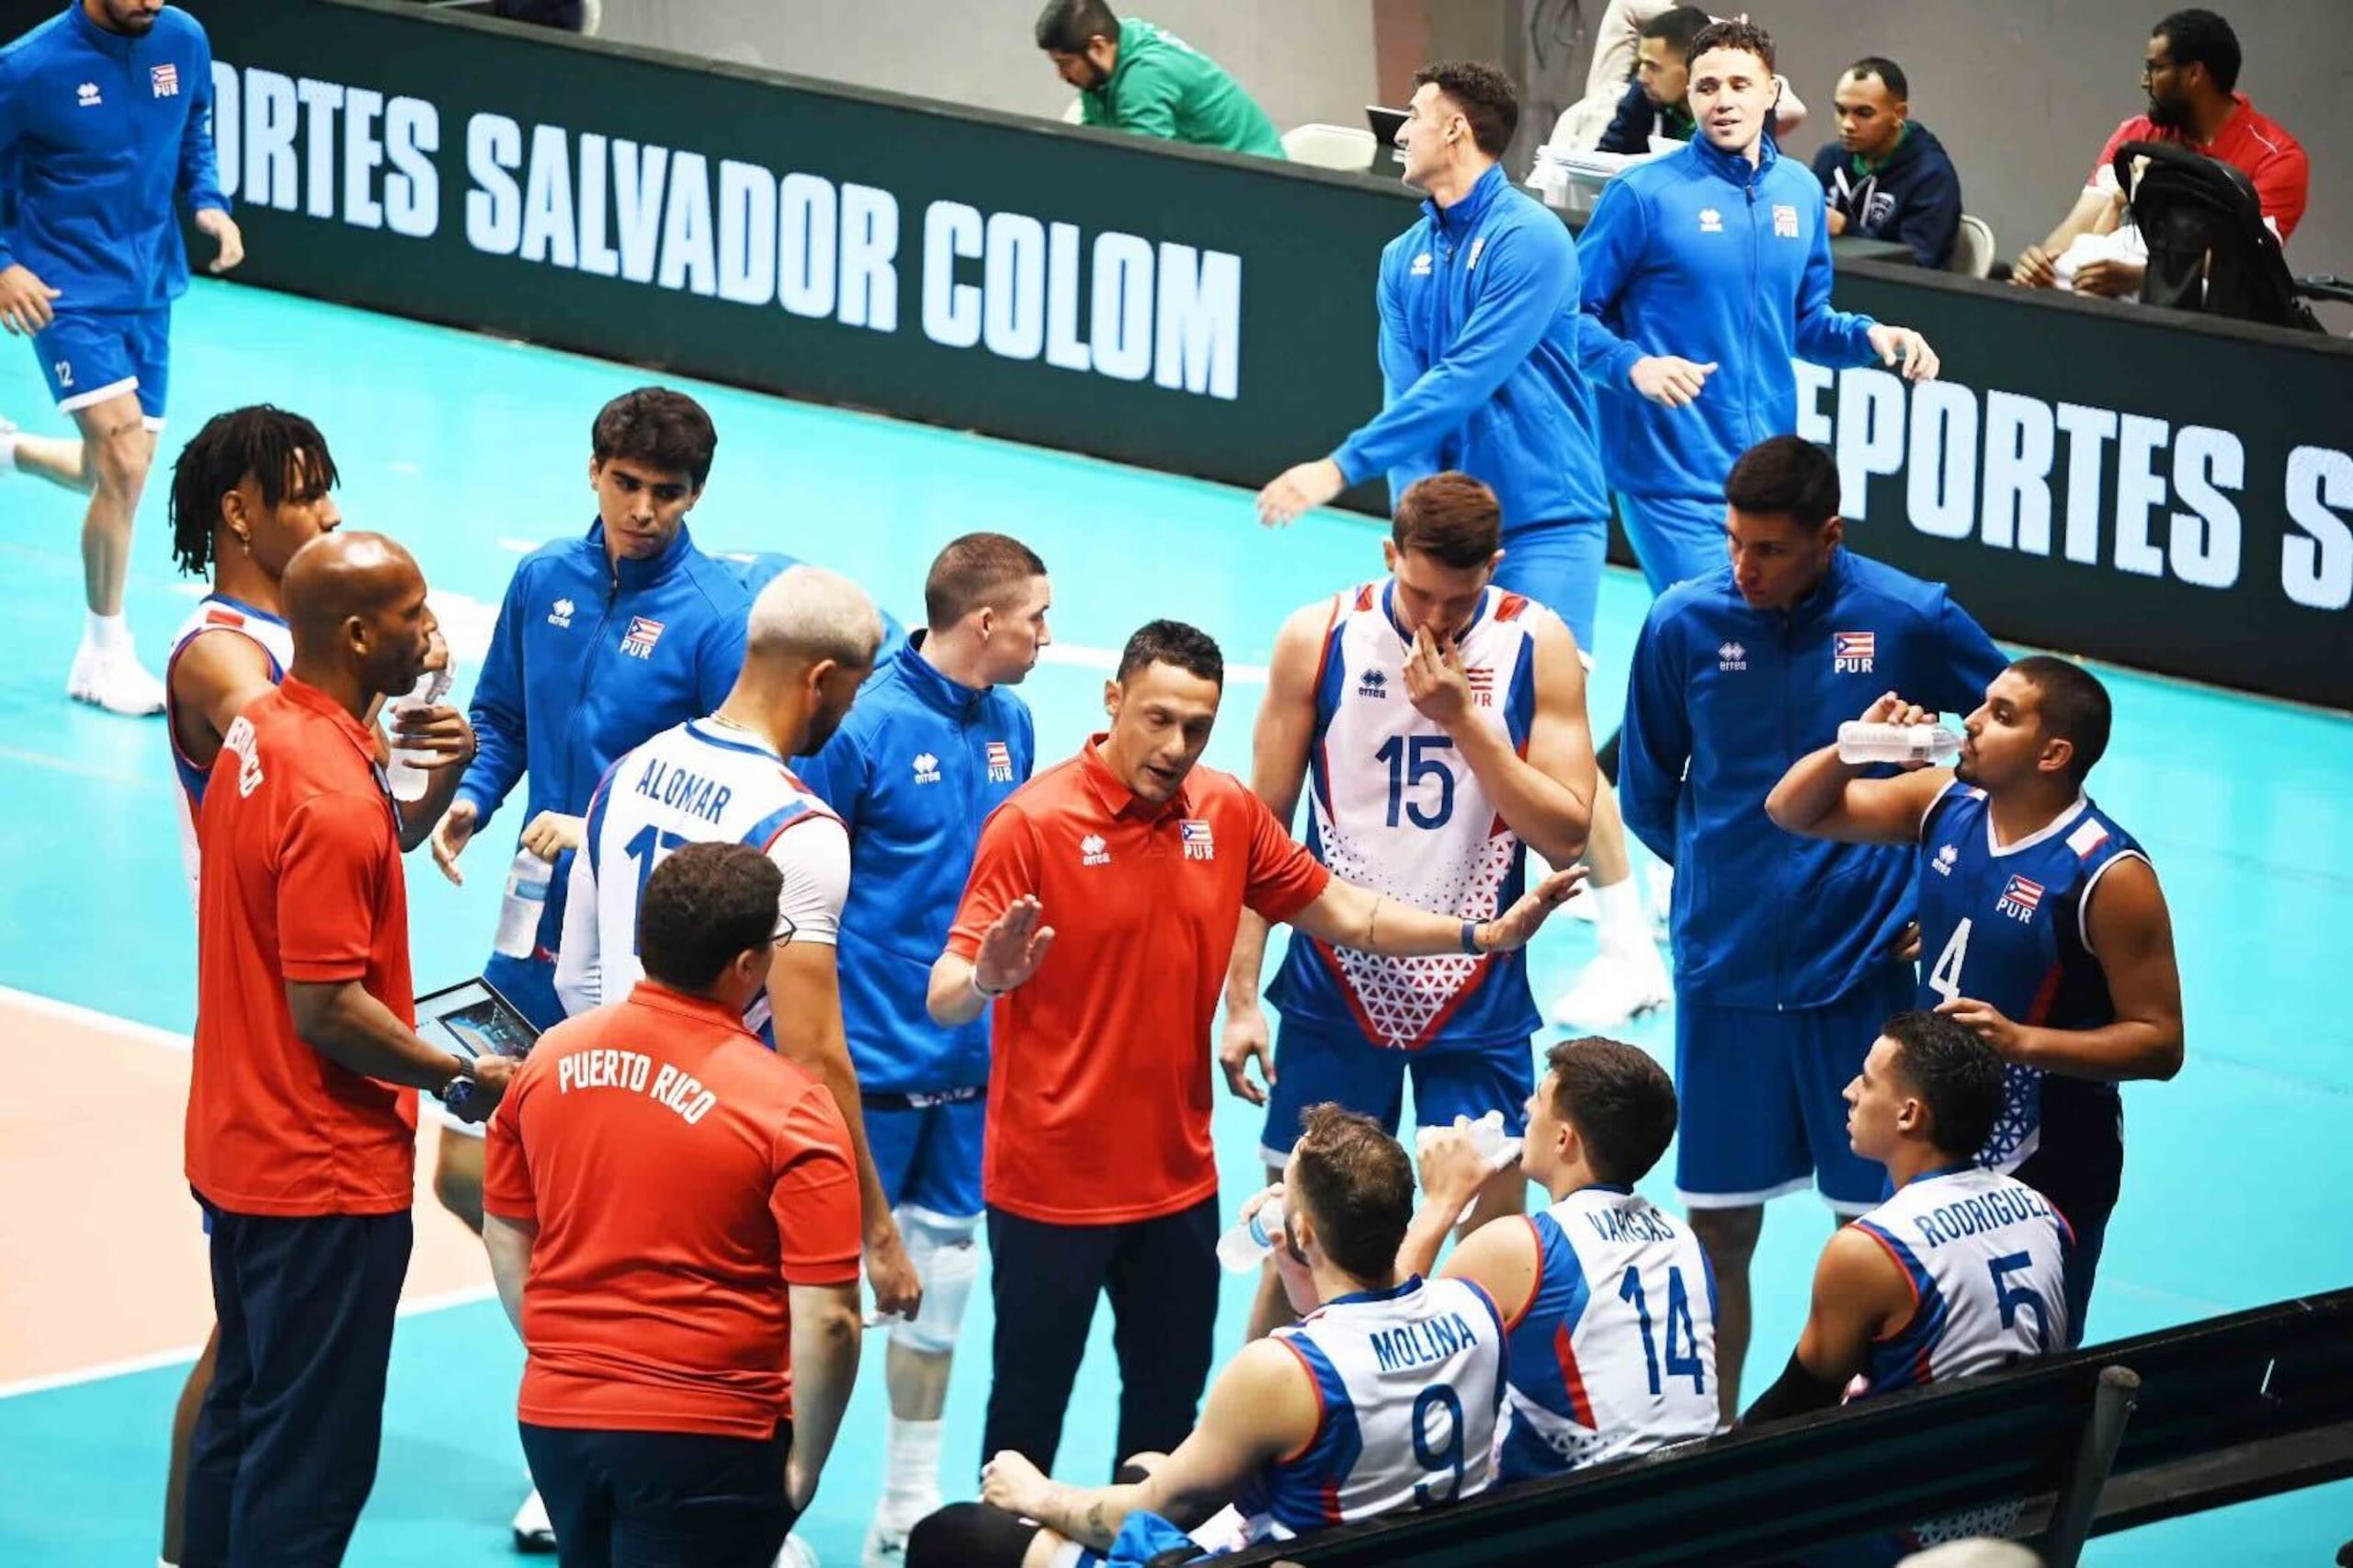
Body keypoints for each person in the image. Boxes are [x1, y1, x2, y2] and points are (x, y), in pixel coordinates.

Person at [929, 619, 1579, 1481]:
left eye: (1197, 726)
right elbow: (945, 992)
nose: (1175, 746)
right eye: (1157, 718)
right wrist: (988, 977)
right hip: (1050, 1191)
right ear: (1113, 700)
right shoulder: (1033, 825)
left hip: (1177, 1187)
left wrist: (1479, 933)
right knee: (1025, 1415)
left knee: (1168, 1425)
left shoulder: (1225, 811)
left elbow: (1351, 912)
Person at [1558, 17, 1943, 1034]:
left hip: (1766, 471)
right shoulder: (1643, 197)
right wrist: (1632, 366)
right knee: (1734, 654)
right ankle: (1685, 899)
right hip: (1668, 475)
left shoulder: (1796, 196)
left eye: (1741, 83)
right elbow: (1568, 314)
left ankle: (1578, 809)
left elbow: (1808, 322)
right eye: (1707, 84)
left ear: (1775, 92)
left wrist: (1875, 337)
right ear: (1687, 96)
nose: (1722, 98)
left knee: (1734, 670)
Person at [426, 390, 763, 1547]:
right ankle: (572, 1387)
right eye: (626, 485)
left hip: (637, 952)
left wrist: (600, 815)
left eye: (667, 494)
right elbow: (502, 711)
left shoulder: (719, 616)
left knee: (621, 1202)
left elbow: (718, 783)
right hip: (529, 934)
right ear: (593, 473)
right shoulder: (541, 581)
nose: (644, 511)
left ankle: (590, 1425)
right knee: (467, 1176)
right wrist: (474, 798)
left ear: (696, 497)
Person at [1616, 435, 2008, 1421]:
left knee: (1876, 1230)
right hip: (1725, 971)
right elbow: (1646, 791)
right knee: (1716, 1231)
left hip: (1865, 977)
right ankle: (1708, 1445)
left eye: (1771, 549)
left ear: (1828, 536)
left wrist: (1938, 888)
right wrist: (1718, 882)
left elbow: (2015, 751)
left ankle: (1861, 1453)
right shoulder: (1681, 623)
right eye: (1734, 542)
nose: (1743, 568)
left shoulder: (1910, 615)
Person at [183, 531, 509, 1567]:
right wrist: (459, 1070)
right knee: (311, 1464)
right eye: (414, 613)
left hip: (239, 1146)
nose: (433, 628)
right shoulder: (328, 786)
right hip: (320, 1174)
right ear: (361, 634)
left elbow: (343, 862)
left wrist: (426, 788)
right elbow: (325, 1007)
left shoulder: (270, 730)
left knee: (242, 1416)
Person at [1223, 472, 1597, 1341]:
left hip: (1476, 991)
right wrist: (1241, 997)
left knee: (1492, 1237)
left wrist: (1467, 723)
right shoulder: (1318, 638)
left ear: (1495, 570)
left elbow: (1567, 835)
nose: (1434, 618)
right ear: (1389, 554)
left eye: (1457, 599)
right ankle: (1255, 1457)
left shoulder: (1533, 644)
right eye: (1418, 590)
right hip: (1332, 982)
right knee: (1299, 1237)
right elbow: (1260, 835)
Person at [1766, 659, 2183, 1341]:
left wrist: (2024, 1043)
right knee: (1906, 1336)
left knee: (2030, 1347)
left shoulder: (2109, 874)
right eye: (1983, 706)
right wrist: (1858, 747)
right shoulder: (1944, 804)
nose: (1974, 723)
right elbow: (1791, 810)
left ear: (2053, 754)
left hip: (2049, 1149)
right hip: (1935, 1125)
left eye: (2002, 714)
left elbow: (2161, 1041)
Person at [907, 1103, 1508, 1568]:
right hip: (1412, 1545)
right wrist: (1300, 1272)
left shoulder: (1281, 1374)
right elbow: (1366, 1338)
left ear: (1303, 1228)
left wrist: (1039, 1494)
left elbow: (1145, 1515)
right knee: (1145, 1463)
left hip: (1280, 1554)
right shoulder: (1475, 1306)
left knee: (957, 1533)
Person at [484, 843, 865, 1568]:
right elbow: (833, 1319)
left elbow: (505, 1227)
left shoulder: (548, 1060)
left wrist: (562, 1354)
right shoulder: (792, 1110)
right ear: (748, 967)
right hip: (713, 1436)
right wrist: (807, 1463)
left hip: (557, 1423)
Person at [790, 534, 1051, 1566]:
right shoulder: (863, 723)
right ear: (984, 622)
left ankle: (904, 1502)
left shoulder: (1016, 722)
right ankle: (774, 1506)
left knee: (942, 1288)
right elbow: (803, 892)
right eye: (1036, 615)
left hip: (971, 1077)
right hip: (865, 1080)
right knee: (817, 1311)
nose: (1046, 633)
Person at [555, 565, 919, 1301]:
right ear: (820, 680)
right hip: (721, 1151)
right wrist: (876, 1232)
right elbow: (813, 1055)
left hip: (608, 1124)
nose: (848, 714)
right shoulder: (800, 827)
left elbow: (576, 977)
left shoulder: (627, 772)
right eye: (850, 694)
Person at [155, 405, 348, 1567]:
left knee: (253, 1337)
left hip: (311, 1001)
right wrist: (365, 657)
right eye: (306, 494)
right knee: (245, 1346)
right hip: (262, 1024)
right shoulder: (221, 650)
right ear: (240, 513)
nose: (331, 515)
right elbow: (263, 728)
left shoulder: (304, 650)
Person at [1258, 61, 1611, 657]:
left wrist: (1340, 467)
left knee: (1536, 724)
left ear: (1454, 130)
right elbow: (1407, 396)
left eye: (1415, 116)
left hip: (1544, 529)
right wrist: (1417, 535)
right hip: (1449, 542)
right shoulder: (1401, 258)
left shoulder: (1531, 239)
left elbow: (1465, 379)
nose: (1399, 132)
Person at [0, 0, 244, 715]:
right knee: (125, 463)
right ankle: (104, 654)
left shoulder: (182, 38)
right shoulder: (27, 67)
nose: (153, 1)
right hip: (62, 289)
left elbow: (194, 132)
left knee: (119, 473)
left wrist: (208, 201)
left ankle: (9, 452)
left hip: (151, 282)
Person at [1404, 1036, 1717, 1479]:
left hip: (1570, 1525)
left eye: (1540, 1099)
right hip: (1701, 1496)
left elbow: (1378, 1346)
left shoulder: (1520, 1247)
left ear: (1564, 1139)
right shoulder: (1687, 1244)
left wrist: (1441, 1202)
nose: (1527, 1109)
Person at [1744, 1011, 2072, 1415]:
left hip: (1923, 1468)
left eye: (1866, 1080)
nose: (1849, 1092)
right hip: (2040, 1456)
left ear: (1909, 1114)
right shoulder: (2044, 1214)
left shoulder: (1869, 1251)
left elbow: (1800, 1402)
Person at [2013, 8, 2307, 298]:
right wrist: (2041, 264)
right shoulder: (2135, 135)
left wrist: (2145, 278)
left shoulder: (2278, 157)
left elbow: (2250, 263)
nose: (2145, 81)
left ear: (2194, 74)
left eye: (2156, 68)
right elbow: (2078, 228)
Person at [1034, 0, 1282, 159]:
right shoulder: (1113, 48)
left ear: (1098, 46)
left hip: (1255, 178)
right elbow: (1094, 139)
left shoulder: (1143, 80)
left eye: (1065, 64)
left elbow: (1146, 173)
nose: (1061, 75)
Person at [1811, 58, 1962, 271]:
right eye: (1841, 110)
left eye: (1864, 113)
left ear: (1898, 114)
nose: (1847, 125)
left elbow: (1917, 267)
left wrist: (1844, 227)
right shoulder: (1831, 159)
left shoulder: (1932, 177)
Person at [1596, 6, 1709, 153]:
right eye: (1641, 63)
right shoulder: (1643, 94)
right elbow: (1606, 156)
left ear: (1692, 68)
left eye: (1653, 67)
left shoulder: (1732, 112)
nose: (1643, 78)